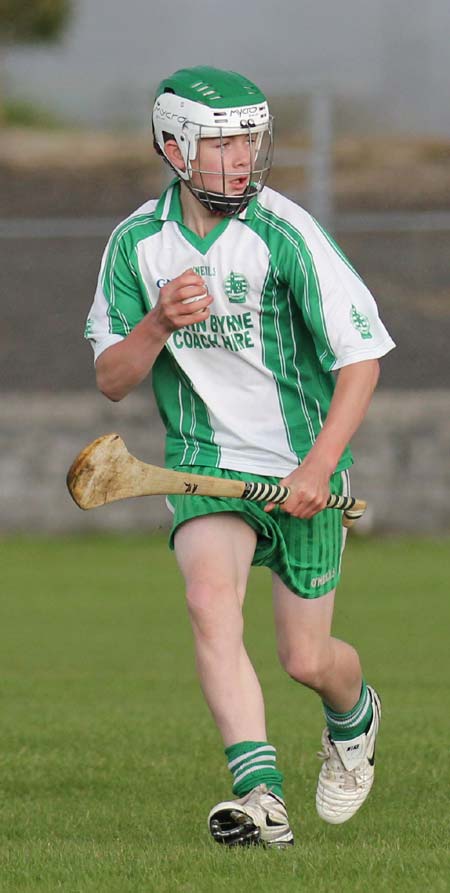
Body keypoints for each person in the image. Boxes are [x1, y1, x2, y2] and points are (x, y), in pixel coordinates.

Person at [85, 66, 395, 848]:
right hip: (204, 466)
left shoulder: (285, 231)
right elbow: (113, 380)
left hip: (302, 467)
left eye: (249, 141)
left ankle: (353, 717)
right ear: (172, 145)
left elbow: (362, 363)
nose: (240, 158)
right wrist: (155, 324)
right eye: (221, 142)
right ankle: (262, 798)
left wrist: (318, 469)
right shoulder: (136, 245)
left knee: (306, 657)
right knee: (209, 601)